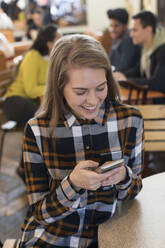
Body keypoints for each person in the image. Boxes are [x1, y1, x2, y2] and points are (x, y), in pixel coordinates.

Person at [19, 34, 143, 248]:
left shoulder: (130, 120)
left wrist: (123, 176)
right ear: (60, 87)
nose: (93, 100)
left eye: (101, 88)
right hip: (54, 238)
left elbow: (133, 192)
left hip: (112, 236)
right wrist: (73, 184)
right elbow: (40, 214)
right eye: (81, 91)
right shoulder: (37, 130)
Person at [3, 24, 61, 126]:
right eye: (59, 41)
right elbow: (31, 90)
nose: (62, 45)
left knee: (58, 111)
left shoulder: (49, 58)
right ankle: (40, 141)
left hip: (31, 99)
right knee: (48, 114)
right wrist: (54, 88)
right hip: (14, 102)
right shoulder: (33, 57)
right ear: (49, 44)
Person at [114, 11, 165, 102]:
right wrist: (121, 76)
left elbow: (158, 83)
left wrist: (126, 81)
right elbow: (138, 69)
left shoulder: (162, 49)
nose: (131, 34)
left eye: (135, 30)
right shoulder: (147, 47)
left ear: (148, 30)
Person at [107, 8, 141, 72]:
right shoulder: (117, 38)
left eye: (116, 26)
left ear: (125, 25)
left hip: (126, 80)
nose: (112, 30)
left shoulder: (129, 40)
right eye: (111, 26)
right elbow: (109, 62)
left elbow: (123, 68)